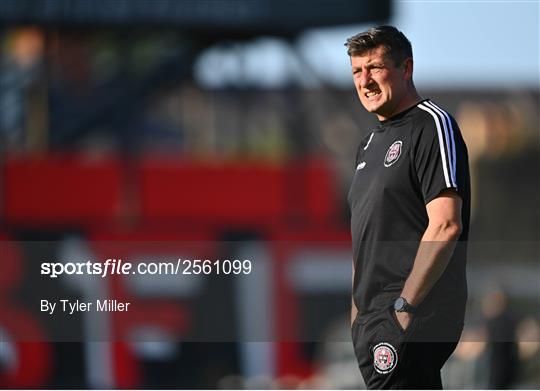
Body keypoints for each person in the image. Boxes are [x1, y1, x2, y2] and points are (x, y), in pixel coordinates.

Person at [345, 26, 471, 389]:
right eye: (357, 71)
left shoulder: (432, 125)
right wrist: (357, 314)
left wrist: (403, 308)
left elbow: (446, 225)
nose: (365, 81)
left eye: (375, 68)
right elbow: (364, 233)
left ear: (406, 68)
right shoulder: (368, 144)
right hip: (372, 319)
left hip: (411, 313)